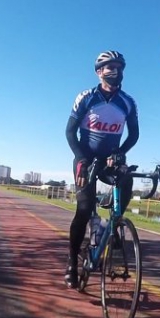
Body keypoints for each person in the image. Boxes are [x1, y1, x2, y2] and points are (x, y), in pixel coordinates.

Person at [64, 50, 140, 288]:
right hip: (85, 159)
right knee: (84, 210)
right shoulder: (86, 97)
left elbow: (134, 134)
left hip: (109, 160)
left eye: (119, 67)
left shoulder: (128, 102)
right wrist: (81, 158)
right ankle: (72, 263)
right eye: (110, 67)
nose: (116, 71)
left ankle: (112, 223)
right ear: (99, 72)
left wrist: (120, 152)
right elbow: (69, 132)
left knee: (127, 179)